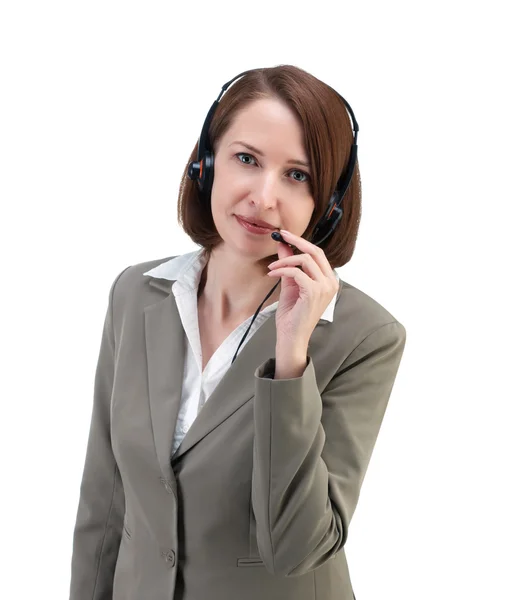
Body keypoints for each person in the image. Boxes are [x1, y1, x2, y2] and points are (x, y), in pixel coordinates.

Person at [68, 65, 407, 600]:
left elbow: (298, 547)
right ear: (206, 165)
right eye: (247, 159)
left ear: (330, 202)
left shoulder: (364, 337)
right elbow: (106, 502)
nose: (264, 196)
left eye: (298, 175)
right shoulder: (136, 294)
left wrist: (292, 360)